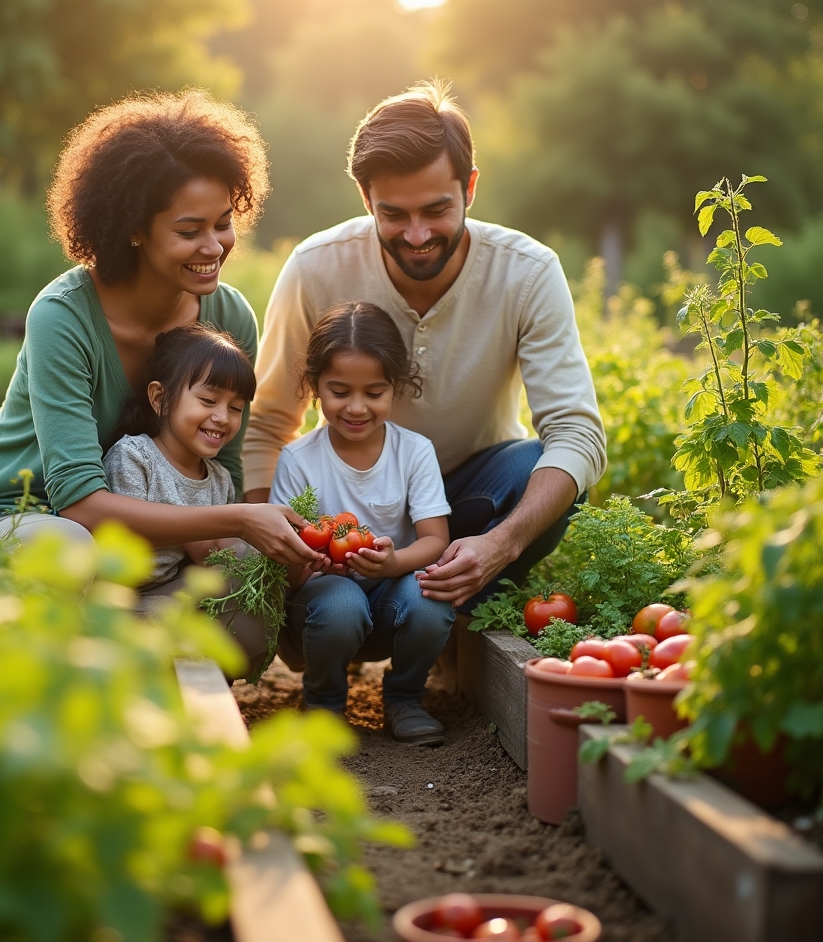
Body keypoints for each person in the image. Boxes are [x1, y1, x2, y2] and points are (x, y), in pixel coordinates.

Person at [243, 79, 606, 622]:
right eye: (393, 214)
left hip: (469, 502)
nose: (416, 235)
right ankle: (332, 621)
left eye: (436, 210)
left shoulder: (526, 272)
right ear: (365, 199)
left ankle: (457, 612)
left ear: (471, 188)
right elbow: (270, 422)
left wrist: (502, 544)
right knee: (331, 608)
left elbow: (577, 433)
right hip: (346, 513)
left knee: (537, 465)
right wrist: (281, 557)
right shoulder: (316, 267)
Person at [0, 90, 321, 571]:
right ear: (134, 229)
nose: (214, 247)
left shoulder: (228, 319)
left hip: (139, 541)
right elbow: (79, 503)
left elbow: (221, 471)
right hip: (22, 512)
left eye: (224, 223)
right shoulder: (63, 317)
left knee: (245, 615)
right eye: (189, 231)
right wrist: (237, 520)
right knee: (70, 552)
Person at [269, 301, 453, 744]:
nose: (356, 408)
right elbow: (285, 560)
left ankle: (406, 698)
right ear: (314, 386)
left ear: (396, 387)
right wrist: (309, 564)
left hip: (393, 592)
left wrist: (394, 565)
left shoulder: (414, 452)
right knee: (339, 604)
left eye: (374, 393)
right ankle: (324, 702)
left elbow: (435, 540)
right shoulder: (298, 459)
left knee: (431, 603)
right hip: (325, 601)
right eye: (339, 391)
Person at [103, 323, 269, 676]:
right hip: (121, 606)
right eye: (208, 401)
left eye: (236, 408)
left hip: (175, 601)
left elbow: (218, 566)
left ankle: (210, 681)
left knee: (247, 573)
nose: (222, 417)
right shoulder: (135, 457)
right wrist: (196, 536)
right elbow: (120, 543)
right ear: (160, 398)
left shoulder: (219, 479)